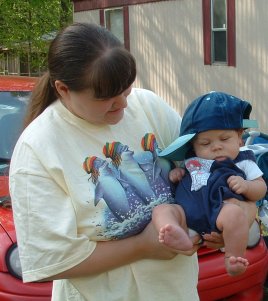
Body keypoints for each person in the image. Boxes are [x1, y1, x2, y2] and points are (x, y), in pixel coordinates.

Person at [9, 22, 207, 301]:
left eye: (126, 90)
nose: (124, 105)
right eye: (106, 99)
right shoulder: (38, 147)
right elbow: (52, 259)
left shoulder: (149, 107)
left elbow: (204, 171)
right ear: (63, 89)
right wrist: (143, 246)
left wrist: (216, 224)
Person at [153, 91, 267, 276]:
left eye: (224, 139)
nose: (216, 146)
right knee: (162, 210)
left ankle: (233, 258)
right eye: (205, 143)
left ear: (239, 137)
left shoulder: (244, 162)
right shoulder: (192, 161)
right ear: (193, 146)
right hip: (187, 212)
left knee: (235, 215)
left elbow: (261, 188)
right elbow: (183, 179)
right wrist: (178, 173)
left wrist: (247, 186)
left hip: (220, 212)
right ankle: (174, 232)